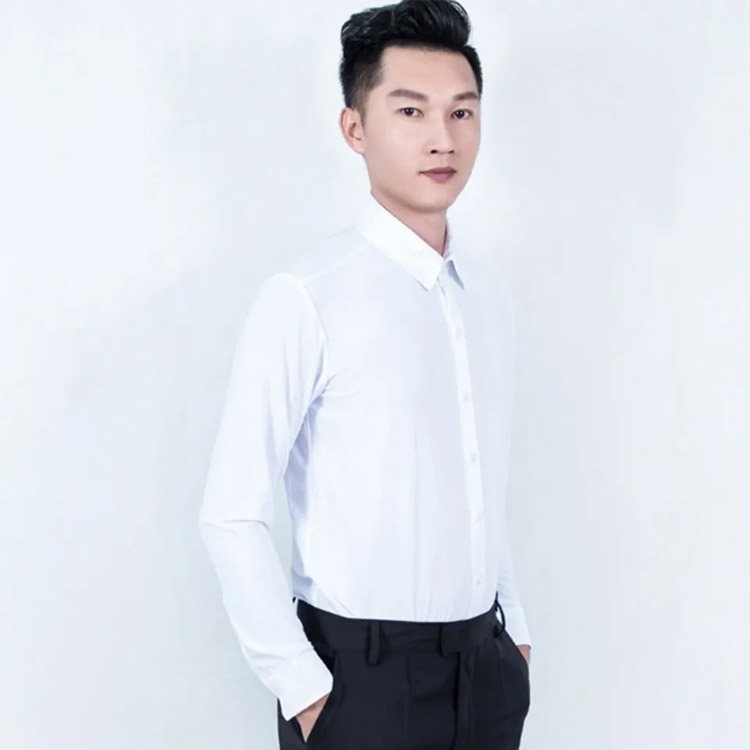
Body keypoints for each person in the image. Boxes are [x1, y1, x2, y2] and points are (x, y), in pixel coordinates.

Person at [198, 1, 532, 747]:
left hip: (485, 669)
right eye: (410, 111)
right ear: (355, 128)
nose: (442, 138)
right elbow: (230, 512)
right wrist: (306, 690)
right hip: (361, 682)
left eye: (462, 112)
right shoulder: (306, 296)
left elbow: (480, 480)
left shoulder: (488, 299)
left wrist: (515, 632)